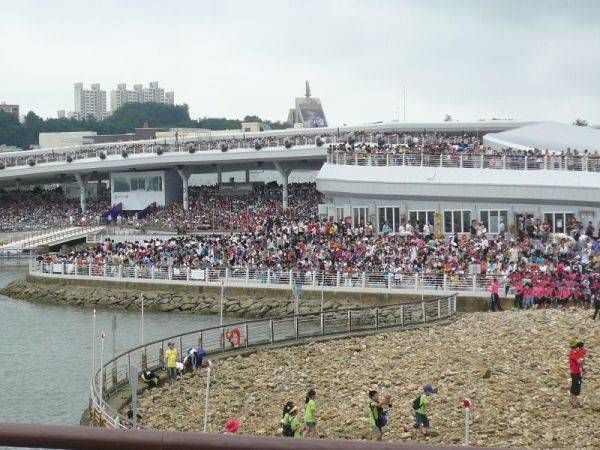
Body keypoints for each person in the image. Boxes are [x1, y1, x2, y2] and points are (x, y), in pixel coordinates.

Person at [568, 338, 585, 408]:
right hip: (575, 372)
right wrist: (582, 359)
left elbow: (583, 352)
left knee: (574, 386)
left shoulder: (575, 352)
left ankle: (572, 401)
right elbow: (579, 361)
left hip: (577, 372)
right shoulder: (573, 353)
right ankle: (575, 403)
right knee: (576, 387)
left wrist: (582, 348)